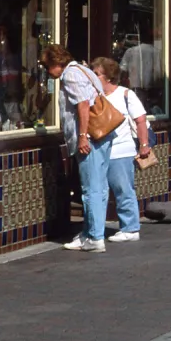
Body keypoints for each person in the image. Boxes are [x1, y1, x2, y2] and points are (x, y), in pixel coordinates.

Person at [41, 45, 113, 253]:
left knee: (90, 188)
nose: (47, 71)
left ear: (57, 63)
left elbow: (83, 105)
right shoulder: (84, 70)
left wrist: (82, 136)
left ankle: (95, 237)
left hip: (90, 138)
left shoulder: (70, 75)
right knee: (99, 187)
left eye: (47, 67)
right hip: (103, 135)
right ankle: (90, 232)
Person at [92, 56, 148, 243]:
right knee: (100, 192)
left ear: (108, 77)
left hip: (120, 150)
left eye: (97, 74)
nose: (94, 76)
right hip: (99, 151)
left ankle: (130, 228)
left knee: (123, 189)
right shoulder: (93, 96)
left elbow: (140, 120)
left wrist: (144, 145)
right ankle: (95, 230)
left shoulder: (125, 94)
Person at [120, 24, 162, 113]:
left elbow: (123, 70)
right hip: (150, 88)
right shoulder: (155, 52)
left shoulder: (131, 51)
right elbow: (158, 73)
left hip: (135, 88)